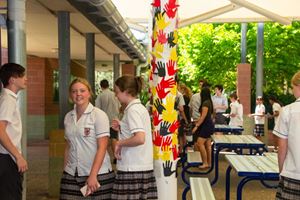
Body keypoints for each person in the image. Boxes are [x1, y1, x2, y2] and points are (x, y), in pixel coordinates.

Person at [60, 78, 115, 199]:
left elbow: (102, 147)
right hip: (71, 173)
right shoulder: (68, 117)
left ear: (89, 93)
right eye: (74, 91)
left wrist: (93, 175)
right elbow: (68, 146)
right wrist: (65, 171)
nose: (78, 94)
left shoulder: (99, 115)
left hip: (97, 174)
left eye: (82, 90)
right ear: (70, 95)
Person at [111, 75, 157, 199]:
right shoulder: (138, 108)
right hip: (139, 166)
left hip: (132, 168)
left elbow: (139, 138)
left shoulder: (133, 110)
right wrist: (121, 126)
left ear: (126, 92)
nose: (116, 96)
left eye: (117, 92)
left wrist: (119, 143)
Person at [0, 63, 28, 200]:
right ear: (12, 80)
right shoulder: (8, 100)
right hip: (7, 159)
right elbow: (0, 131)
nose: (25, 79)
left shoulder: (7, 98)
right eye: (22, 76)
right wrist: (18, 156)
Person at [273, 71, 300, 200]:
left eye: (293, 87)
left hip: (293, 174)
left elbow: (282, 147)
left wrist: (281, 171)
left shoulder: (288, 111)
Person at [95, 79, 120, 163]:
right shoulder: (115, 95)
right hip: (115, 119)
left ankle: (103, 156)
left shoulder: (100, 96)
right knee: (114, 137)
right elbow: (120, 107)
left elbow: (97, 108)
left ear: (101, 86)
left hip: (104, 120)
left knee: (104, 139)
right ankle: (116, 155)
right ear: (108, 85)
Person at [192, 87, 214, 169]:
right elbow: (208, 116)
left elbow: (203, 117)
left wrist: (196, 126)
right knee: (208, 145)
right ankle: (209, 163)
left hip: (206, 126)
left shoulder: (205, 104)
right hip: (209, 125)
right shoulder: (209, 102)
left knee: (199, 143)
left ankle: (205, 162)